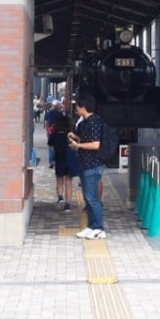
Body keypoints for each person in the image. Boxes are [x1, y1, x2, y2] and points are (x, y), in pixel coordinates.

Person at [68, 95, 107, 239]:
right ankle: (91, 226)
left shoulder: (95, 121)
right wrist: (76, 137)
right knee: (87, 198)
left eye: (77, 106)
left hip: (93, 164)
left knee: (92, 198)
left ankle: (99, 228)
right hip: (84, 164)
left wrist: (78, 145)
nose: (76, 109)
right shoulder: (84, 123)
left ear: (83, 107)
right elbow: (87, 140)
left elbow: (95, 144)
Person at [47, 115, 78, 211]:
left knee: (59, 181)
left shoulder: (54, 134)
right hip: (70, 160)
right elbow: (76, 146)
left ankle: (60, 197)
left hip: (59, 159)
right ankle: (68, 204)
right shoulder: (70, 135)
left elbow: (51, 148)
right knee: (69, 182)